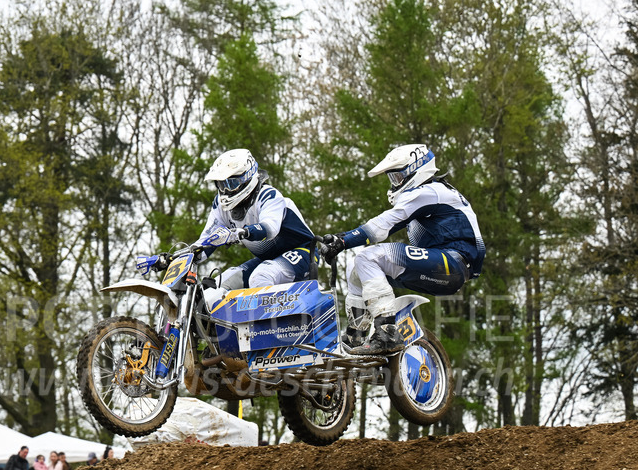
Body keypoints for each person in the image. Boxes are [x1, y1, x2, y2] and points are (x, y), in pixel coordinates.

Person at [320, 144, 486, 355]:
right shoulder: (429, 193)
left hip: (452, 262)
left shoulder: (430, 192)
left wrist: (341, 241)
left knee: (369, 257)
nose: (395, 184)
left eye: (398, 177)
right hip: (442, 264)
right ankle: (356, 336)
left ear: (417, 169)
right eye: (393, 179)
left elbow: (380, 227)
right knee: (355, 265)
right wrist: (340, 240)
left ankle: (387, 332)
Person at [140, 149, 317, 301]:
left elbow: (269, 229)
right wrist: (168, 259)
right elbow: (204, 244)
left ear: (247, 178)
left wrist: (236, 233)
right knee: (216, 286)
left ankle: (272, 337)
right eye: (221, 184)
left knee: (261, 276)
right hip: (268, 259)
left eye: (230, 183)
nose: (225, 191)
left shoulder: (268, 196)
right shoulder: (221, 206)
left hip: (304, 252)